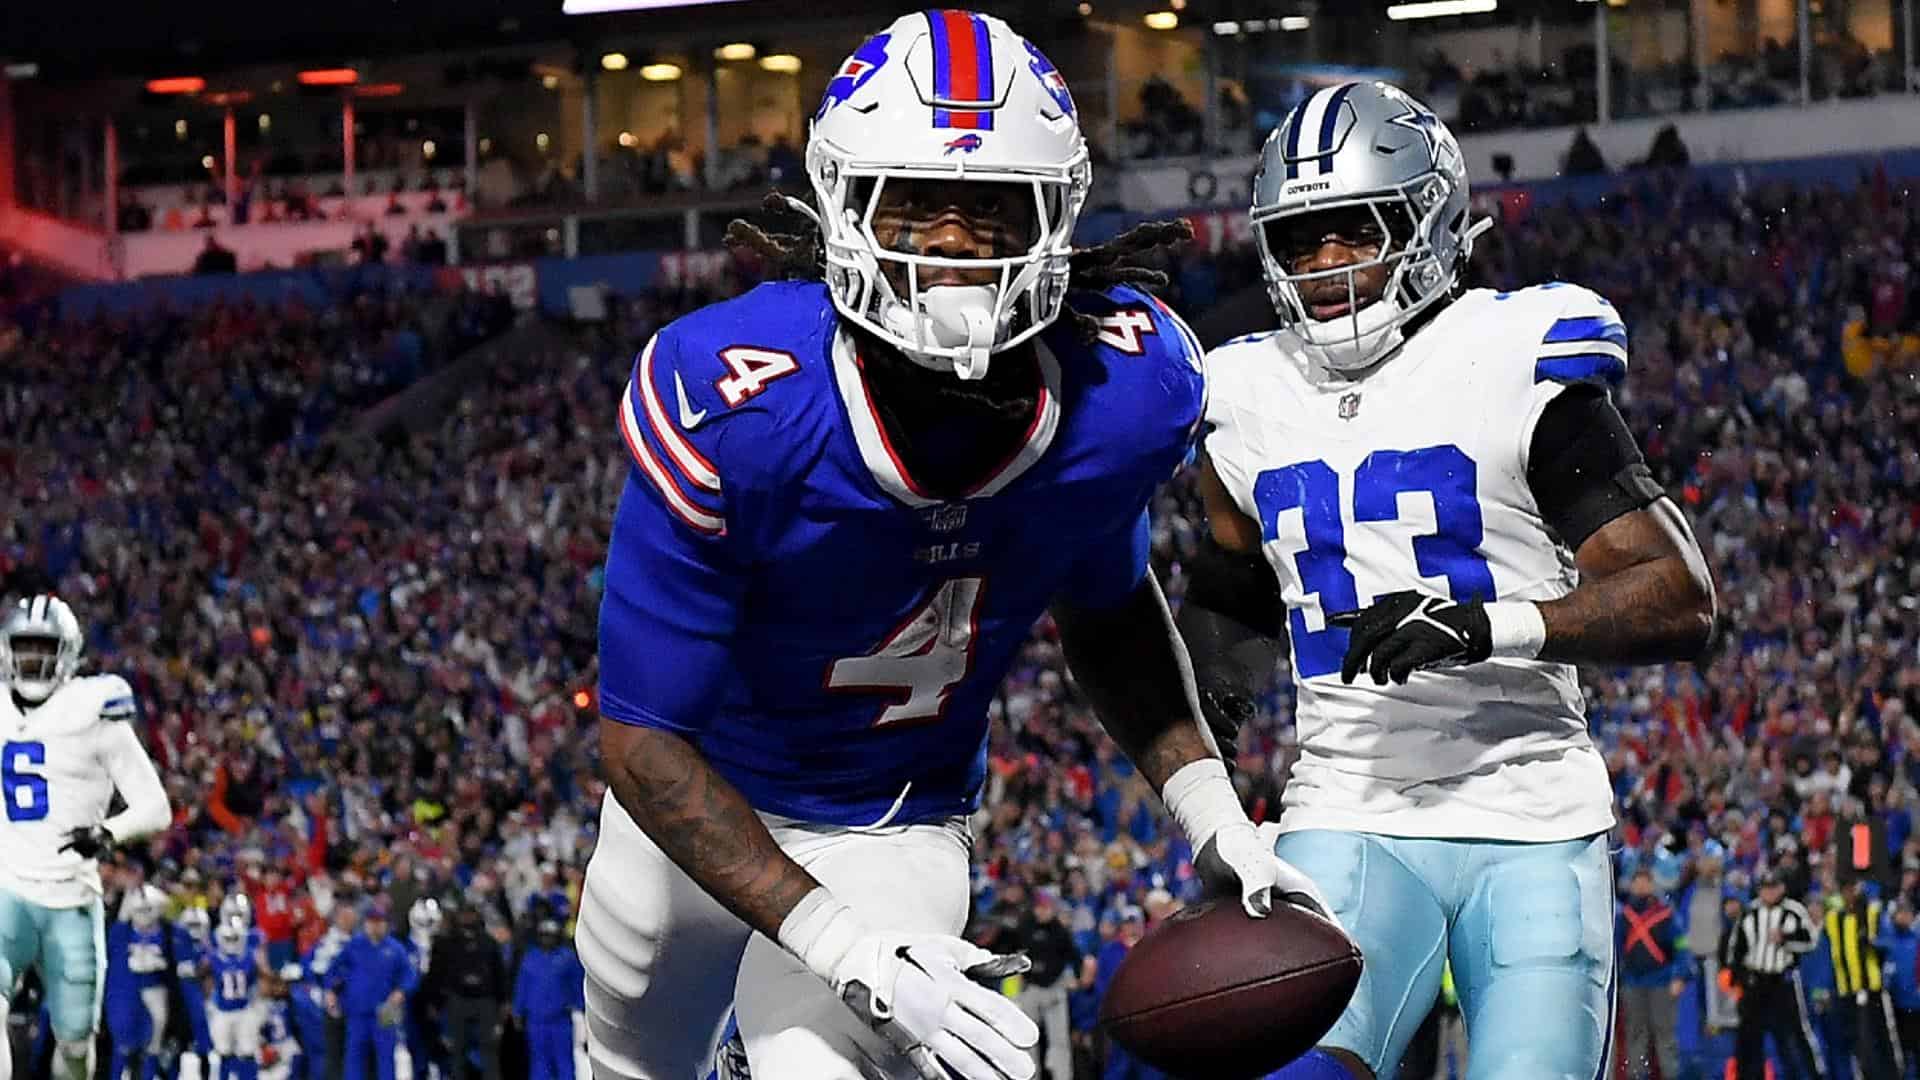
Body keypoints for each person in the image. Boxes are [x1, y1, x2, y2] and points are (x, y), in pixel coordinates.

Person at [575, 11, 1325, 1080]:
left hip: (893, 825)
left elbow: (1110, 616)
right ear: (844, 206)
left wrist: (1216, 817)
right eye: (916, 204)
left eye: (992, 208)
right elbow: (644, 745)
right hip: (687, 823)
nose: (957, 244)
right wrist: (840, 946)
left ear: (1055, 215)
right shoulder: (736, 402)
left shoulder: (1124, 390)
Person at [1186, 81, 1716, 1080]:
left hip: (1531, 813)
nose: (1326, 266)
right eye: (1301, 242)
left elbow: (1680, 597)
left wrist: (1491, 625)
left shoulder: (1514, 357)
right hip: (1345, 807)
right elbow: (1230, 601)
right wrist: (1208, 803)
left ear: (1426, 221)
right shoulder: (1243, 393)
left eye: (1353, 232)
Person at [0, 594, 172, 1080]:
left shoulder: (95, 712)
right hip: (5, 890)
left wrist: (108, 832)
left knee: (75, 1047)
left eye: (43, 648)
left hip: (71, 900)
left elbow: (156, 807)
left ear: (68, 653)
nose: (32, 660)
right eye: (23, 648)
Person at [1722, 871, 1822, 1080]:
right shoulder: (1750, 912)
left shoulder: (1794, 911)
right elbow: (1735, 949)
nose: (1769, 892)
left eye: (1773, 887)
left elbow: (1810, 942)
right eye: (1765, 888)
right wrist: (1740, 977)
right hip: (1755, 981)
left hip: (1782, 981)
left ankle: (1810, 1075)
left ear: (1782, 888)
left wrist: (1785, 938)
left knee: (1795, 1034)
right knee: (1749, 1036)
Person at [1820, 878, 1901, 1077]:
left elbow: (1890, 943)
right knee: (1855, 1043)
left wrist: (1874, 943)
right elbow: (1826, 953)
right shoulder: (1832, 919)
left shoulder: (1872, 913)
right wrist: (1824, 987)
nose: (1850, 894)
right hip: (1845, 990)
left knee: (1881, 1040)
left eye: (1853, 889)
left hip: (1872, 990)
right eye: (1846, 889)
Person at [328, 902, 418, 1080]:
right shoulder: (354, 945)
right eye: (372, 921)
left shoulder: (395, 948)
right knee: (354, 1057)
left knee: (386, 1057)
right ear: (366, 923)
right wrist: (331, 991)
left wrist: (401, 991)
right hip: (357, 1011)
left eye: (379, 922)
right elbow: (333, 971)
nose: (375, 926)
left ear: (386, 924)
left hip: (385, 1010)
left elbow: (410, 975)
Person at [427, 895, 508, 1080]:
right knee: (457, 1051)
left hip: (485, 1000)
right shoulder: (446, 942)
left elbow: (499, 973)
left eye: (470, 914)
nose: (467, 918)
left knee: (489, 1050)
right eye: (464, 914)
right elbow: (437, 974)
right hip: (457, 999)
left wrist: (503, 1001)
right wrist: (434, 1001)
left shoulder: (489, 942)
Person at [1615, 868, 1683, 1079]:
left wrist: (1680, 975)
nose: (1642, 886)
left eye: (1646, 882)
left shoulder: (1666, 915)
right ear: (1632, 885)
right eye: (1638, 882)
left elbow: (1681, 945)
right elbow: (1616, 950)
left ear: (1652, 885)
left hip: (1661, 982)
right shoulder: (1624, 916)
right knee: (1635, 1035)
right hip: (1633, 983)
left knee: (1665, 1036)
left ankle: (1671, 1075)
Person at [1013, 888, 1080, 1080]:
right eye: (1040, 907)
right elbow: (1014, 955)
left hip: (1054, 988)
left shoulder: (1060, 930)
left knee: (1059, 1041)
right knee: (1027, 1039)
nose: (1043, 911)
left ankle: (1063, 1077)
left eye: (1047, 907)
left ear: (1053, 908)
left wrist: (1076, 976)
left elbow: (1074, 957)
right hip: (1030, 987)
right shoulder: (1025, 927)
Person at [104, 884, 170, 1080]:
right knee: (123, 1045)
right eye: (139, 909)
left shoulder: (166, 932)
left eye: (148, 909)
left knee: (153, 1044)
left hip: (154, 990)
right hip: (127, 992)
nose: (143, 914)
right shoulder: (121, 932)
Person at [513, 919, 585, 1080]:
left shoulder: (567, 958)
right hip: (536, 1021)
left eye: (551, 936)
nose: (547, 939)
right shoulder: (530, 958)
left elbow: (578, 983)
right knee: (539, 1062)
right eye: (544, 935)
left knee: (564, 1062)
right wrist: (517, 1010)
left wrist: (579, 1006)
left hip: (560, 1021)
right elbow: (522, 985)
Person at [210, 914, 266, 1080]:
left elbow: (263, 979)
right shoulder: (213, 957)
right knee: (223, 1052)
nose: (231, 942)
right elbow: (203, 980)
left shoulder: (251, 955)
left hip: (244, 1009)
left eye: (235, 938)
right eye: (228, 938)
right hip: (222, 1010)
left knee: (248, 1050)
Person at [1875, 898, 1920, 1071]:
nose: (1902, 917)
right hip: (1897, 1007)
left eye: (1906, 913)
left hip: (1916, 1006)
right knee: (1902, 1053)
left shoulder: (1917, 939)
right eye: (1899, 913)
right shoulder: (1888, 942)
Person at [175, 905, 217, 1080]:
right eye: (190, 925)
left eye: (197, 925)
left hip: (201, 1001)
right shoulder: (176, 945)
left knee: (204, 1045)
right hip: (178, 1001)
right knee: (175, 1044)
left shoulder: (210, 946)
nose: (194, 930)